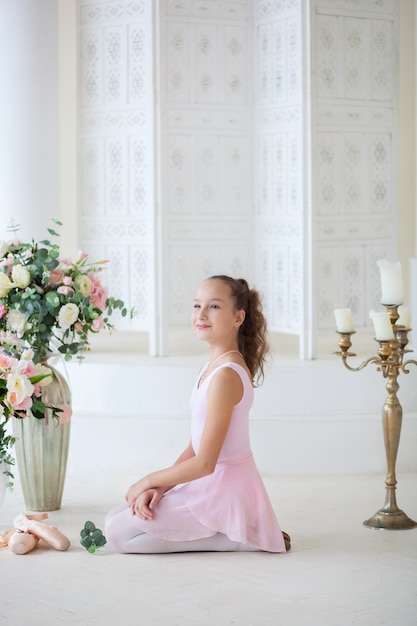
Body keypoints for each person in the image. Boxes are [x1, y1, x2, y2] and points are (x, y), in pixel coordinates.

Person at [105, 275, 290, 553]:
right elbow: (196, 445)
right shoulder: (212, 368)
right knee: (116, 518)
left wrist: (146, 480)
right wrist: (161, 488)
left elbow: (205, 463)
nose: (201, 314)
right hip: (209, 484)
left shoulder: (226, 375)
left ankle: (242, 537)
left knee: (118, 534)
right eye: (196, 305)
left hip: (222, 489)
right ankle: (241, 529)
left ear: (238, 317)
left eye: (214, 307)